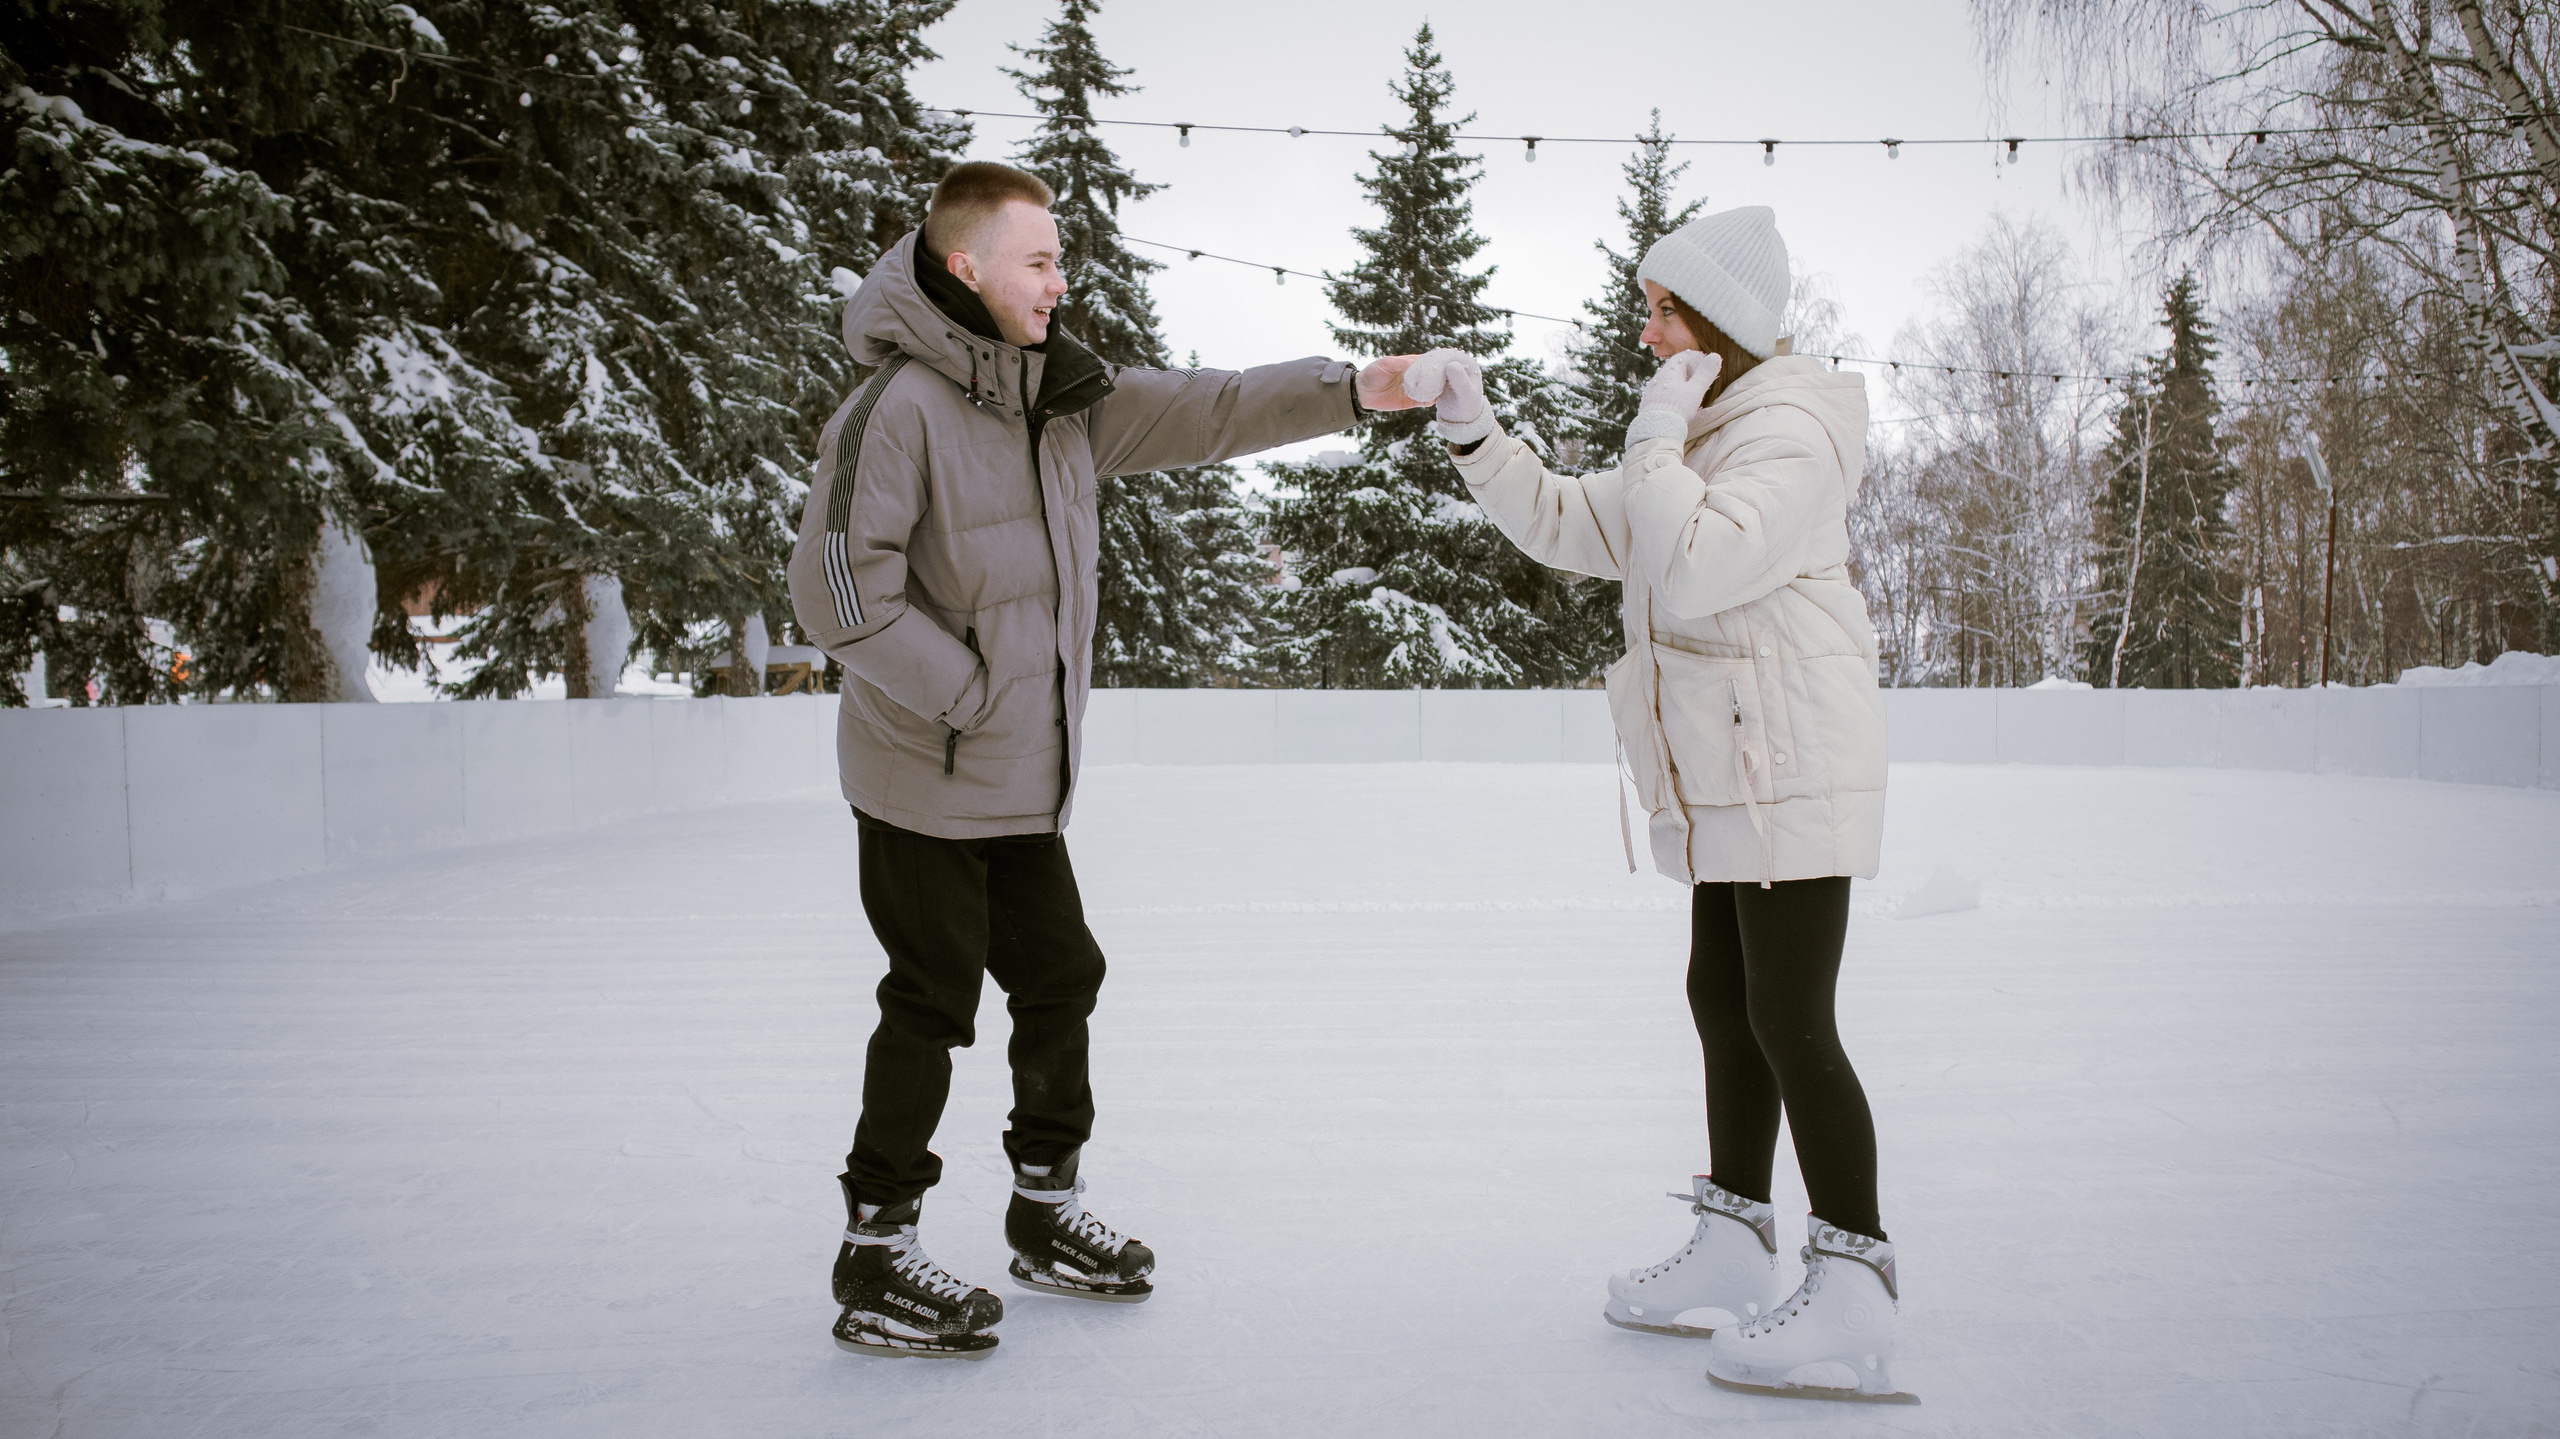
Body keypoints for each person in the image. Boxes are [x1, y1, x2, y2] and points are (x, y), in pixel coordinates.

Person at [786, 161, 1422, 1360]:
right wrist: (971, 696)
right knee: (931, 999)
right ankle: (874, 1250)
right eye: (1037, 259)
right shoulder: (897, 410)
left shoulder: (1058, 398)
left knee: (1060, 975)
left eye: (1059, 259)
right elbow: (835, 597)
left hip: (1023, 778)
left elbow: (1213, 407)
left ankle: (1042, 1206)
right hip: (926, 776)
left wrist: (1356, 388)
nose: (1057, 279)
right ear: (965, 266)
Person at [1389, 206, 1911, 1404]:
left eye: (1663, 308)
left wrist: (1660, 432)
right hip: (1730, 769)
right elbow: (1576, 523)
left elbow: (1695, 561)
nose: (1644, 330)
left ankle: (1855, 1288)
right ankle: (1733, 1239)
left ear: (1721, 325)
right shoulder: (1706, 432)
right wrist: (1475, 432)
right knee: (1722, 998)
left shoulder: (1785, 435)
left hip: (1789, 770)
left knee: (1793, 1019)